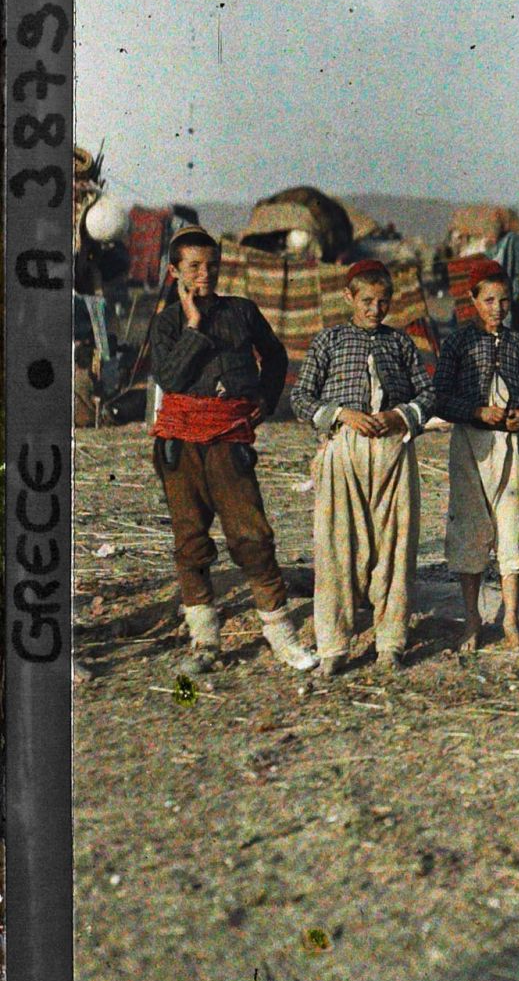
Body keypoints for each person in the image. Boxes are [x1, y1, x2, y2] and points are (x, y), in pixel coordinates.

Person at [148, 227, 318, 675]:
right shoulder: (167, 322)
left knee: (252, 536)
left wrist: (264, 397)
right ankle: (205, 642)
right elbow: (171, 379)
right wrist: (193, 326)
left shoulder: (241, 312)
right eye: (194, 267)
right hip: (179, 445)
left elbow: (275, 356)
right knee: (190, 542)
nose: (205, 274)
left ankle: (281, 637)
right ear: (174, 272)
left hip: (228, 440)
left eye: (212, 265)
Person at [291, 260, 434, 674]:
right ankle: (334, 646)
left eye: (383, 301)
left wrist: (401, 415)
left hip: (392, 450)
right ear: (349, 297)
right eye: (367, 300)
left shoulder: (400, 343)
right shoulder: (330, 341)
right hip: (344, 448)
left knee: (395, 546)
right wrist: (342, 415)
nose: (375, 309)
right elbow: (301, 397)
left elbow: (428, 394)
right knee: (337, 546)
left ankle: (390, 641)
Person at [434, 259, 519, 652]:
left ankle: (512, 622)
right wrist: (476, 412)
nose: (497, 308)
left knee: (512, 528)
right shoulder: (458, 344)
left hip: (512, 446)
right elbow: (439, 397)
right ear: (473, 300)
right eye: (489, 300)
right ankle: (472, 621)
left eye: (505, 300)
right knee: (470, 528)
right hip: (470, 445)